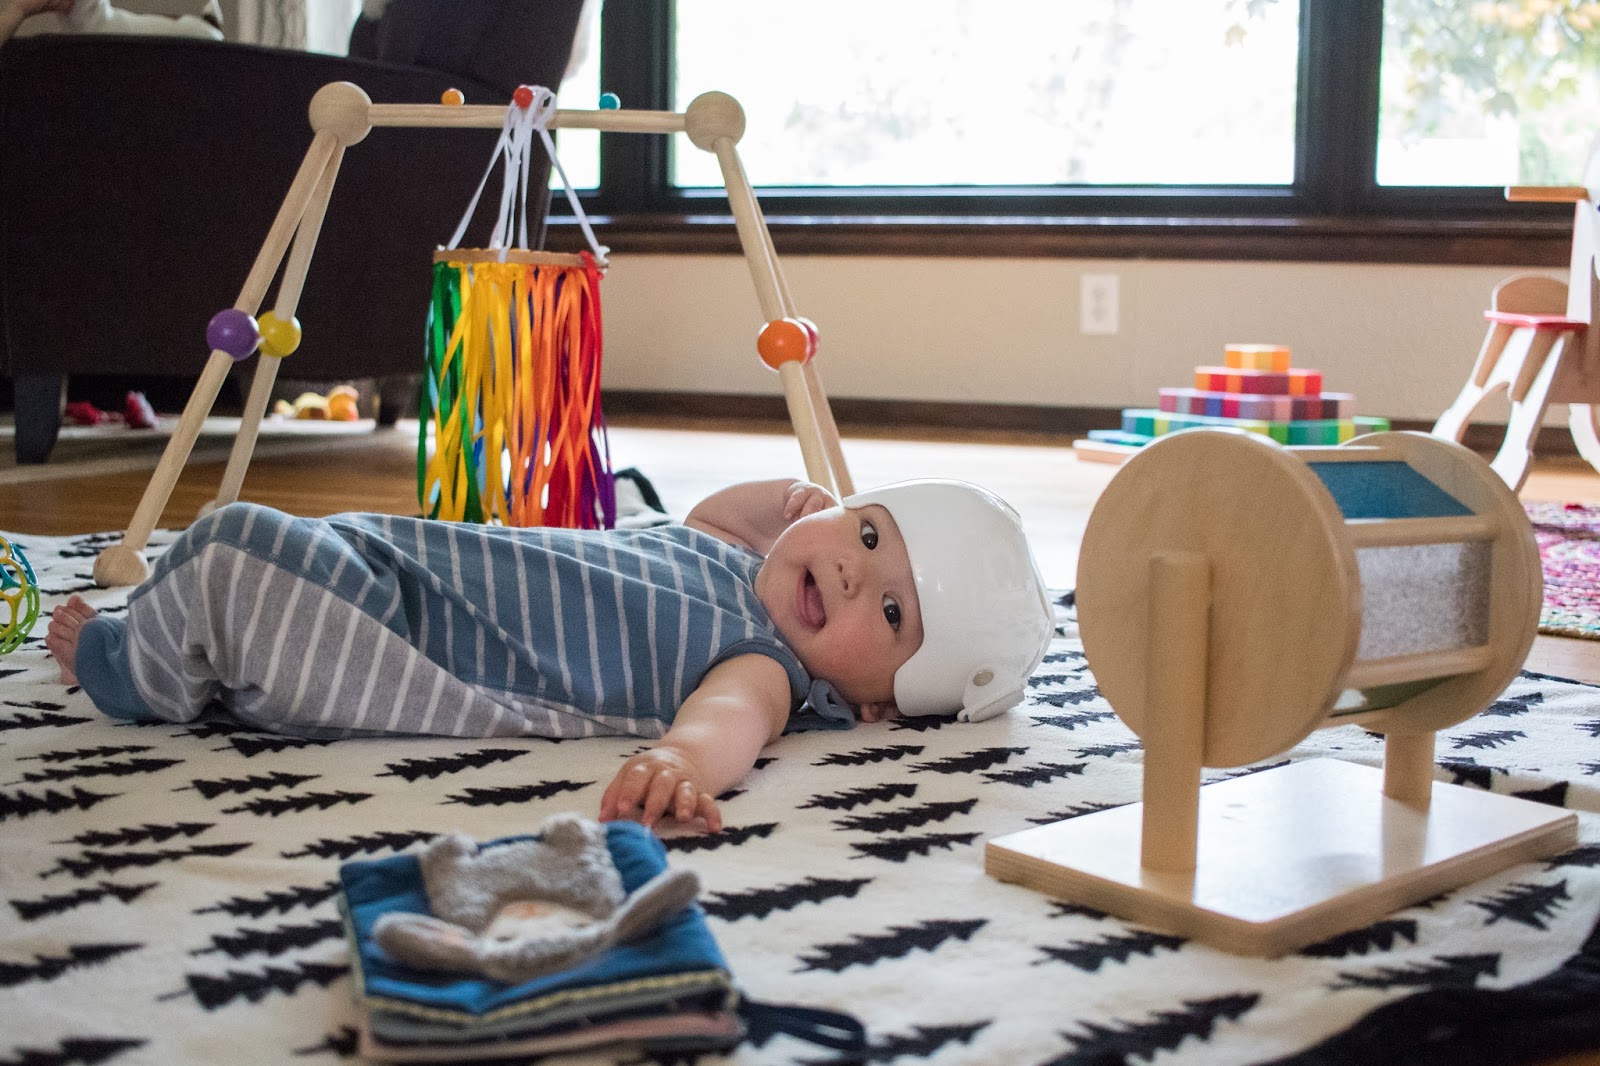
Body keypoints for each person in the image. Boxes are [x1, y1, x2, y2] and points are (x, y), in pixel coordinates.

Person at [46, 477, 1053, 832]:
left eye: (890, 610)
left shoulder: (766, 668)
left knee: (233, 546)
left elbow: (726, 723)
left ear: (878, 704)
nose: (848, 573)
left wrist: (681, 761)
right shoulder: (732, 562)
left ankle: (134, 670)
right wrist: (787, 503)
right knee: (269, 550)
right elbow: (709, 519)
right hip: (404, 563)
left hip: (411, 645)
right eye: (865, 533)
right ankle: (189, 639)